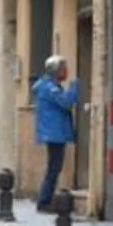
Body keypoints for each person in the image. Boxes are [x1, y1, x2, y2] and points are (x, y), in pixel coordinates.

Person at [33, 57, 81, 213]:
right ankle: (44, 201)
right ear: (56, 70)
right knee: (54, 168)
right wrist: (75, 87)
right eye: (64, 68)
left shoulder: (49, 86)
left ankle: (45, 199)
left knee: (54, 167)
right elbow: (66, 102)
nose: (66, 71)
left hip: (54, 133)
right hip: (54, 133)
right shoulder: (50, 88)